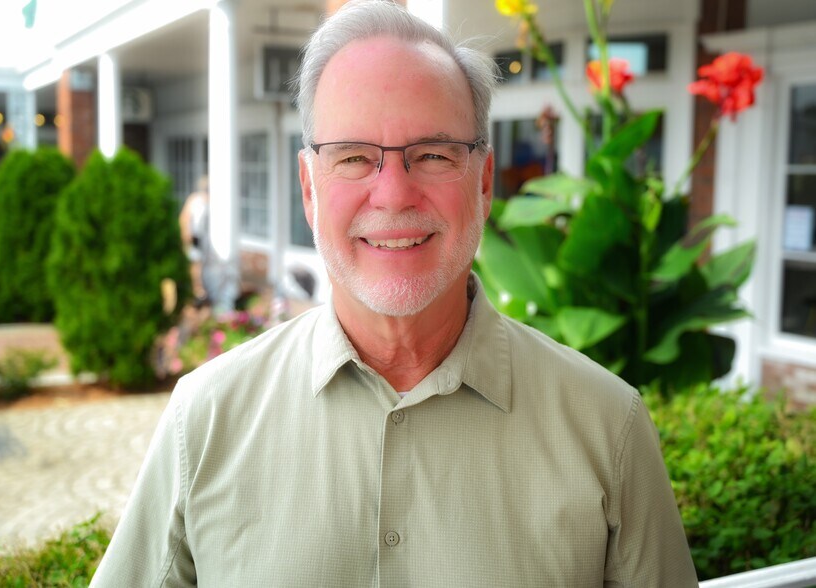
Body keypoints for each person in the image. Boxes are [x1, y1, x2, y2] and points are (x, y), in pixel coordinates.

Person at [92, 1, 698, 585]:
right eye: (354, 158)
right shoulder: (204, 420)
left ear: (484, 183)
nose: (393, 195)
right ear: (309, 188)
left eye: (432, 154)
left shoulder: (608, 426)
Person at [178, 175, 210, 304]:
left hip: (206, 238)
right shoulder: (194, 200)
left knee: (203, 263)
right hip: (195, 236)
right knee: (195, 263)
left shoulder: (211, 200)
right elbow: (184, 217)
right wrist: (186, 233)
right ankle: (197, 290)